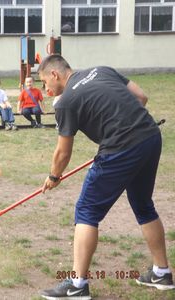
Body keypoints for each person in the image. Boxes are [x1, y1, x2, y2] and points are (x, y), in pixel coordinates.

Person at [38, 55, 174, 299]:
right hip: (150, 136)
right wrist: (127, 127)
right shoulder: (102, 70)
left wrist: (53, 177)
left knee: (87, 210)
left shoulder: (66, 102)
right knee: (143, 206)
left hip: (121, 147)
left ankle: (77, 285)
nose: (45, 89)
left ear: (54, 75)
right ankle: (161, 272)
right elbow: (141, 97)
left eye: (44, 82)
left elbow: (62, 152)